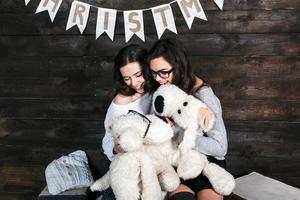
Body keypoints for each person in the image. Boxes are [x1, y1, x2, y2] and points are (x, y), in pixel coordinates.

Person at [146, 37, 228, 200]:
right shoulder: (162, 91)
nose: (158, 79)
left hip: (208, 165)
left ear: (178, 66)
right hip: (176, 163)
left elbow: (220, 148)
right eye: (154, 73)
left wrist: (182, 134)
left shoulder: (204, 95)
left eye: (163, 72)